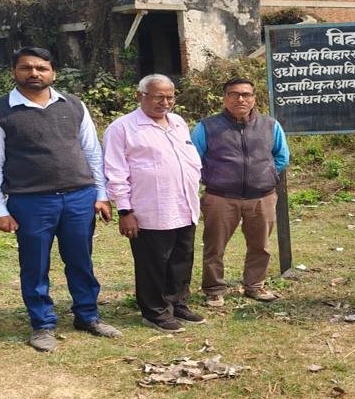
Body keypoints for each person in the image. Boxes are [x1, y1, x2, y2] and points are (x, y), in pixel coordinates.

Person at [0, 47, 120, 353]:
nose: (34, 73)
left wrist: (102, 194)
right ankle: (42, 324)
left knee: (81, 260)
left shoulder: (74, 105)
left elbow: (92, 151)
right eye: (26, 68)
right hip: (30, 201)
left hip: (78, 197)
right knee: (34, 264)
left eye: (41, 68)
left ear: (53, 72)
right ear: (14, 72)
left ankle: (88, 315)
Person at [103, 74, 204, 333]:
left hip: (184, 205)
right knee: (153, 263)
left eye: (170, 96)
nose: (165, 102)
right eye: (158, 96)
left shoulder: (178, 123)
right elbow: (115, 172)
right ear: (140, 96)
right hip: (149, 210)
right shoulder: (122, 128)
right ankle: (155, 312)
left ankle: (177, 302)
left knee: (181, 259)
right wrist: (125, 211)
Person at [191, 78, 290, 306]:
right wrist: (210, 178)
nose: (240, 99)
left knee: (260, 246)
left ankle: (254, 286)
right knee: (214, 246)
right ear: (225, 98)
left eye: (246, 94)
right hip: (220, 197)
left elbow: (281, 156)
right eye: (234, 94)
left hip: (262, 197)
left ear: (254, 98)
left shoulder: (270, 125)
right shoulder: (207, 127)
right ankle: (214, 289)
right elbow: (193, 159)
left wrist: (266, 176)